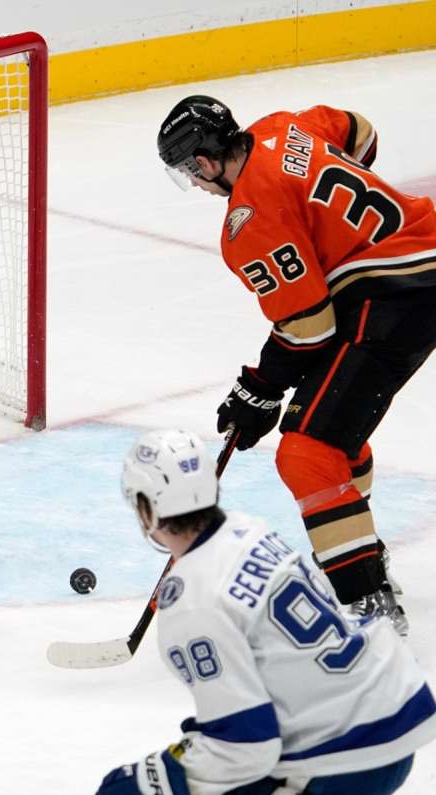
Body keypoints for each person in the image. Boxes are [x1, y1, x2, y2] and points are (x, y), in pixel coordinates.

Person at [155, 95, 436, 632]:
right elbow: (361, 132)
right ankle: (359, 551)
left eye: (190, 172)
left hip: (393, 299)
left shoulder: (249, 219)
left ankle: (370, 605)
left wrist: (258, 389)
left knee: (308, 451)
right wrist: (333, 223)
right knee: (335, 432)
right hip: (419, 259)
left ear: (206, 162)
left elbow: (310, 328)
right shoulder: (285, 127)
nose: (195, 183)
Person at [96, 429, 436, 795]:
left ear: (146, 510)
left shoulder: (191, 603)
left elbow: (245, 746)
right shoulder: (248, 529)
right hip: (389, 703)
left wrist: (158, 777)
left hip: (348, 755)